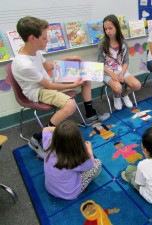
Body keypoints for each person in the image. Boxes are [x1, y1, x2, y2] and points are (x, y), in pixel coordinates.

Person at [12, 16, 110, 157]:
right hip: (38, 91)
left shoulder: (33, 51)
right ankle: (38, 138)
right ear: (32, 38)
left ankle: (90, 115)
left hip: (47, 83)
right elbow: (49, 86)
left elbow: (46, 66)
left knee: (85, 78)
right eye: (45, 38)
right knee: (70, 106)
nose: (47, 40)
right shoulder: (23, 64)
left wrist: (66, 59)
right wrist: (73, 84)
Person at [43, 120, 101, 200]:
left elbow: (45, 129)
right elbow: (90, 164)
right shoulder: (76, 158)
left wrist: (60, 132)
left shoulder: (48, 143)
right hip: (70, 193)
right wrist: (89, 148)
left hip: (50, 188)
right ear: (78, 140)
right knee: (97, 163)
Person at [98, 14, 141, 110]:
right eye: (105, 29)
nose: (108, 31)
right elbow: (100, 64)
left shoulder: (123, 42)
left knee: (137, 85)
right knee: (117, 87)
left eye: (110, 28)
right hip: (107, 72)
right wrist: (111, 74)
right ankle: (116, 96)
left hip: (121, 70)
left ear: (116, 27)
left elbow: (126, 61)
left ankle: (124, 95)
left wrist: (122, 73)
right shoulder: (102, 43)